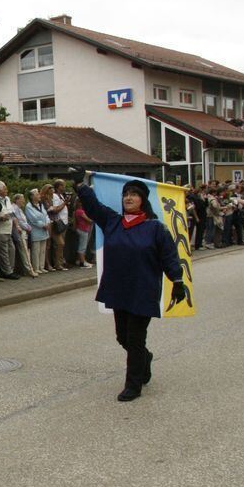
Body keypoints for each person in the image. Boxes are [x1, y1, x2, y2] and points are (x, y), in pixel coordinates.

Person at [72, 172, 185, 402]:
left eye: (133, 194)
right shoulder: (113, 222)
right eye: (125, 194)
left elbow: (169, 257)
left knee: (135, 339)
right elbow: (93, 207)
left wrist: (177, 281)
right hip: (118, 288)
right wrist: (80, 186)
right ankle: (145, 358)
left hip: (143, 290)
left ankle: (133, 385)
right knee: (122, 337)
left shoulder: (155, 228)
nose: (128, 197)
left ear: (143, 199)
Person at [0, 181, 19, 279]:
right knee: (4, 252)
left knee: (11, 249)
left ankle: (11, 269)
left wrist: (10, 215)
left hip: (9, 227)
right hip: (1, 229)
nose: (6, 191)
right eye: (4, 189)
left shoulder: (7, 199)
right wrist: (2, 217)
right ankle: (7, 272)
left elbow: (11, 211)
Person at [10, 193, 38, 278]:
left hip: (23, 232)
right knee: (25, 252)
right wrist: (28, 228)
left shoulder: (18, 208)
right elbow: (20, 221)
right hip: (20, 232)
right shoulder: (15, 208)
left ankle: (27, 270)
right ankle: (29, 270)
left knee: (25, 251)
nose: (24, 201)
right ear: (17, 200)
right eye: (22, 199)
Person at [25, 189, 50, 274]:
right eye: (37, 194)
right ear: (32, 196)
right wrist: (43, 225)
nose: (39, 195)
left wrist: (47, 223)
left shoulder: (40, 205)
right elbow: (33, 219)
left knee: (43, 250)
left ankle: (41, 267)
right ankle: (36, 268)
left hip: (44, 230)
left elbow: (46, 215)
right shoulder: (28, 206)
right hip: (36, 231)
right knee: (36, 250)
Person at [48, 179, 69, 271]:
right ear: (58, 186)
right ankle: (58, 263)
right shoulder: (56, 196)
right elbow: (55, 209)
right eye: (63, 185)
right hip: (58, 223)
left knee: (61, 245)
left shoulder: (61, 196)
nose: (64, 187)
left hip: (64, 223)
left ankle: (60, 262)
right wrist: (65, 203)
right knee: (60, 244)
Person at [74, 204, 93, 268]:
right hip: (83, 230)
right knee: (82, 247)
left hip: (81, 229)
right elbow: (89, 220)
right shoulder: (80, 211)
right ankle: (83, 262)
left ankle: (80, 260)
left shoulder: (77, 211)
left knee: (81, 246)